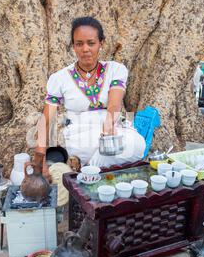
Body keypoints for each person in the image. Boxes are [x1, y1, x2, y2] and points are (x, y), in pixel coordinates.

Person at [35, 16, 146, 177]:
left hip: (112, 126)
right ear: (73, 46)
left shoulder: (116, 69)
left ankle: (88, 172)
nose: (85, 49)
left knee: (137, 144)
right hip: (79, 136)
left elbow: (114, 104)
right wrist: (39, 161)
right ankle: (94, 171)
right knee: (117, 148)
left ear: (101, 43)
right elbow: (45, 120)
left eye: (91, 43)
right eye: (79, 44)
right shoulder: (59, 78)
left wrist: (108, 129)